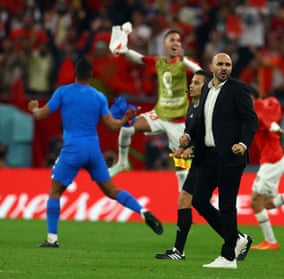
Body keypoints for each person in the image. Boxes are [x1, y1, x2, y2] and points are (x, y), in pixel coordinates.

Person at [28, 57, 163, 248]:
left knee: (55, 192)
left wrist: (34, 108)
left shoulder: (63, 92)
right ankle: (142, 211)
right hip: (93, 150)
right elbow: (111, 126)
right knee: (112, 190)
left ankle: (52, 239)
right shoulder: (98, 96)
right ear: (91, 75)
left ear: (75, 74)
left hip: (73, 149)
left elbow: (42, 114)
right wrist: (125, 118)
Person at [179, 53, 258, 269]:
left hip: (231, 156)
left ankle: (228, 257)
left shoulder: (238, 89)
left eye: (228, 64)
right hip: (208, 156)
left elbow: (251, 120)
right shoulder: (206, 89)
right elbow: (202, 125)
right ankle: (236, 238)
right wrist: (189, 138)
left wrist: (243, 143)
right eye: (220, 64)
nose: (224, 68)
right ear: (212, 66)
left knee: (226, 205)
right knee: (199, 200)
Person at [108, 25, 202, 192]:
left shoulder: (186, 65)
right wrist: (125, 50)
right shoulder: (158, 62)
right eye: (172, 40)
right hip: (159, 115)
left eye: (179, 41)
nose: (176, 43)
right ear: (164, 44)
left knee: (182, 171)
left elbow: (202, 73)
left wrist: (185, 59)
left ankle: (185, 206)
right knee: (127, 128)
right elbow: (140, 59)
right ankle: (122, 163)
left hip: (179, 122)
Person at [155, 70, 209, 260]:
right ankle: (178, 250)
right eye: (191, 82)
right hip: (200, 162)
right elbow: (192, 134)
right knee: (188, 201)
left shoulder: (207, 108)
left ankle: (238, 238)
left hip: (210, 162)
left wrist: (192, 150)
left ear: (206, 87)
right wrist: (183, 143)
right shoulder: (192, 108)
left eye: (196, 82)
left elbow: (209, 137)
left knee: (196, 203)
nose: (191, 85)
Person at [247, 86, 284, 250]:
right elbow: (273, 107)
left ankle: (270, 241)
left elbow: (263, 116)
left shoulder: (257, 110)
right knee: (268, 203)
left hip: (272, 160)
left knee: (255, 201)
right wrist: (270, 123)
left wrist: (269, 123)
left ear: (252, 98)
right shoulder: (266, 106)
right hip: (273, 159)